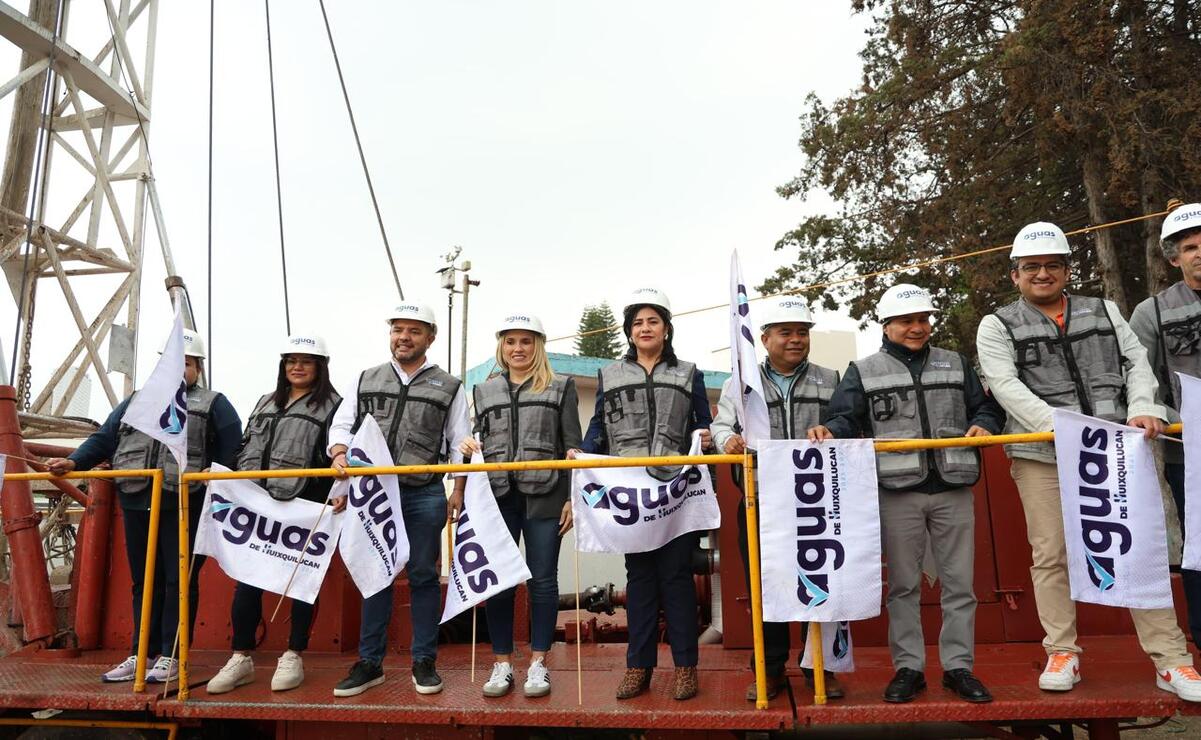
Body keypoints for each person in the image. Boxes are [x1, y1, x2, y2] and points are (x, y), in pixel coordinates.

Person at [977, 221, 1201, 701]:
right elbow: (1005, 385)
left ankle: (1171, 659)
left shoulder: (1103, 310)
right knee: (1051, 554)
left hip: (1117, 449)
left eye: (1052, 265)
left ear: (1066, 270)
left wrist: (1143, 405)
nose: (1043, 274)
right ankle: (1062, 651)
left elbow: (1135, 362)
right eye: (1032, 267)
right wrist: (1066, 429)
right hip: (1042, 454)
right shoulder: (995, 324)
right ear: (1015, 274)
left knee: (1140, 548)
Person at [810, 284, 1003, 704]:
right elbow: (844, 418)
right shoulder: (863, 370)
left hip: (953, 486)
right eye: (907, 321)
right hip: (897, 492)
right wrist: (830, 431)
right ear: (887, 325)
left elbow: (987, 408)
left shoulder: (956, 362)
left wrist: (985, 423)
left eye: (923, 320)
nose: (917, 328)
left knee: (960, 585)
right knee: (902, 586)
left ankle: (958, 668)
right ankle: (909, 668)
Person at [46, 329, 242, 684]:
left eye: (187, 363)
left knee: (177, 581)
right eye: (173, 363)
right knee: (143, 581)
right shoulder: (136, 401)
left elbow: (232, 453)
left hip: (184, 504)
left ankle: (172, 655)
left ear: (198, 368)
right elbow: (105, 438)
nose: (179, 370)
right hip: (137, 499)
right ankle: (141, 653)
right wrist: (74, 462)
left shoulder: (214, 404)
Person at [571, 288, 714, 701]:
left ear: (667, 329)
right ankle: (639, 667)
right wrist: (583, 452)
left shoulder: (689, 373)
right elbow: (599, 427)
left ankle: (686, 668)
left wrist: (705, 437)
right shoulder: (610, 374)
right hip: (630, 496)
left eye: (653, 321)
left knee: (678, 578)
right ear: (629, 332)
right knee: (641, 580)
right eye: (638, 323)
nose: (645, 328)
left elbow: (702, 424)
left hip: (676, 492)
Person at [327, 302, 471, 697]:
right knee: (376, 573)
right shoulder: (366, 378)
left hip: (423, 490)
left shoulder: (450, 386)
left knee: (424, 575)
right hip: (373, 493)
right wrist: (339, 452)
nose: (403, 337)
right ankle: (369, 664)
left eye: (413, 331)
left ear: (430, 337)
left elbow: (459, 441)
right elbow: (342, 423)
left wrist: (458, 488)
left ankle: (424, 661)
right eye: (398, 330)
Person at [710, 297, 844, 701]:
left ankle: (818, 667)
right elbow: (720, 424)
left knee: (818, 583)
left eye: (802, 331)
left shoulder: (830, 377)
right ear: (764, 338)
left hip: (815, 502)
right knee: (765, 589)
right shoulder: (740, 381)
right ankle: (769, 671)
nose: (796, 339)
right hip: (759, 500)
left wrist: (832, 427)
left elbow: (845, 420)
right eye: (785, 332)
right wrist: (726, 440)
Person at [205, 335, 342, 695]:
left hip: (304, 505)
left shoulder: (335, 406)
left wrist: (336, 496)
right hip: (254, 503)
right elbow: (245, 446)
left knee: (300, 582)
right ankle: (241, 657)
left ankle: (294, 653)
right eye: (290, 360)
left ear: (320, 367)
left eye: (306, 361)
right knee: (246, 578)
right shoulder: (266, 401)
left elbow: (340, 453)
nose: (297, 367)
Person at [459, 313, 582, 699]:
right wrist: (467, 448)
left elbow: (572, 447)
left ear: (538, 345)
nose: (518, 349)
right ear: (501, 346)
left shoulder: (561, 387)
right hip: (497, 496)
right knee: (499, 581)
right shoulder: (483, 391)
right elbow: (473, 441)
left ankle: (538, 663)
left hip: (545, 493)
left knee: (542, 580)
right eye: (510, 342)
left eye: (526, 341)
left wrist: (571, 498)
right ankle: (502, 663)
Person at [1130, 203, 1201, 650]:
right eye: (1190, 247)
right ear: (1174, 258)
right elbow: (1141, 386)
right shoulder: (1151, 313)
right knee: (1199, 546)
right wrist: (1180, 420)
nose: (1200, 253)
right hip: (1190, 454)